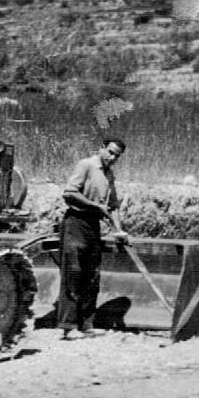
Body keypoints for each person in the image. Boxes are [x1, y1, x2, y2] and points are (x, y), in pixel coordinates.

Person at [58, 138, 127, 340]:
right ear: (101, 148)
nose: (112, 158)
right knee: (74, 274)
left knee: (92, 275)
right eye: (111, 152)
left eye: (117, 156)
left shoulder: (109, 175)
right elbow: (69, 194)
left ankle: (86, 324)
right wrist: (95, 207)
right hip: (75, 223)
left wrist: (118, 231)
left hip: (93, 227)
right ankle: (68, 326)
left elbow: (113, 206)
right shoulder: (86, 165)